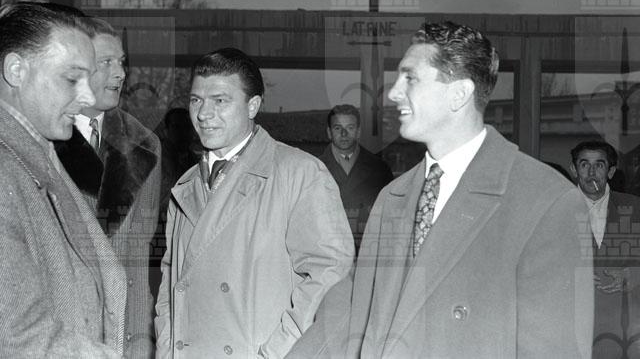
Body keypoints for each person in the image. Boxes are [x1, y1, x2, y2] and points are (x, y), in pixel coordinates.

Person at [287, 21, 593, 358]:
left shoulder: (547, 201)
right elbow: (352, 310)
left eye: (411, 78)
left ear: (458, 94)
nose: (394, 93)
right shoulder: (392, 197)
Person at [155, 47, 354, 358]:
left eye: (220, 101)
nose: (204, 114)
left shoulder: (299, 173)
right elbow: (171, 283)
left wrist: (273, 354)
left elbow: (329, 279)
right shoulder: (185, 185)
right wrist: (168, 348)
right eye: (196, 100)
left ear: (253, 106)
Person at [0, 2, 126, 357]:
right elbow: (17, 336)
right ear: (16, 70)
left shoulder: (41, 157)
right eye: (72, 79)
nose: (87, 97)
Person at [54, 15, 161, 358]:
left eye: (122, 62)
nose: (120, 74)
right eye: (106, 62)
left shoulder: (145, 146)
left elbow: (138, 261)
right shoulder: (40, 138)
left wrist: (140, 342)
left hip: (118, 337)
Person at [570, 140, 640, 358]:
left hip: (626, 331)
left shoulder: (635, 208)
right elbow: (535, 266)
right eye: (584, 165)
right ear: (574, 170)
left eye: (599, 165)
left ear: (610, 171)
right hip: (569, 331)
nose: (591, 172)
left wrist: (632, 275)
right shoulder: (553, 209)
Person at [319, 104, 393, 251]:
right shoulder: (313, 169)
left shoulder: (380, 170)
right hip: (327, 252)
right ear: (329, 132)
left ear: (358, 132)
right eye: (338, 128)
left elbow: (390, 217)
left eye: (350, 127)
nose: (344, 134)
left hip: (368, 251)